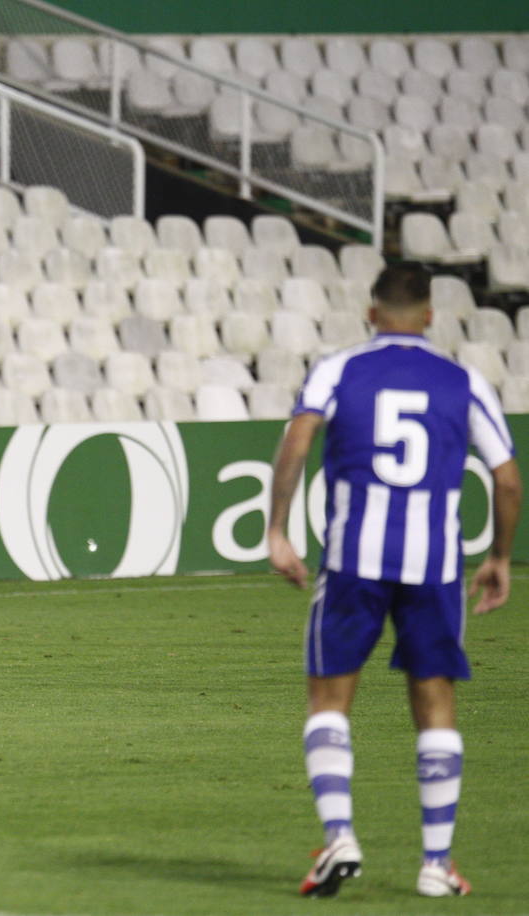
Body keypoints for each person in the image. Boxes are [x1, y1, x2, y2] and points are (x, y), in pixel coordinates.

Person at [266, 264, 520, 899]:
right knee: (434, 704)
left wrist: (278, 529)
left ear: (371, 313)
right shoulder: (463, 381)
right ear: (431, 315)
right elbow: (508, 477)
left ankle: (341, 835)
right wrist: (499, 556)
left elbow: (298, 439)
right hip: (433, 569)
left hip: (354, 560)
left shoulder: (338, 368)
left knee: (329, 702)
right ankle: (436, 864)